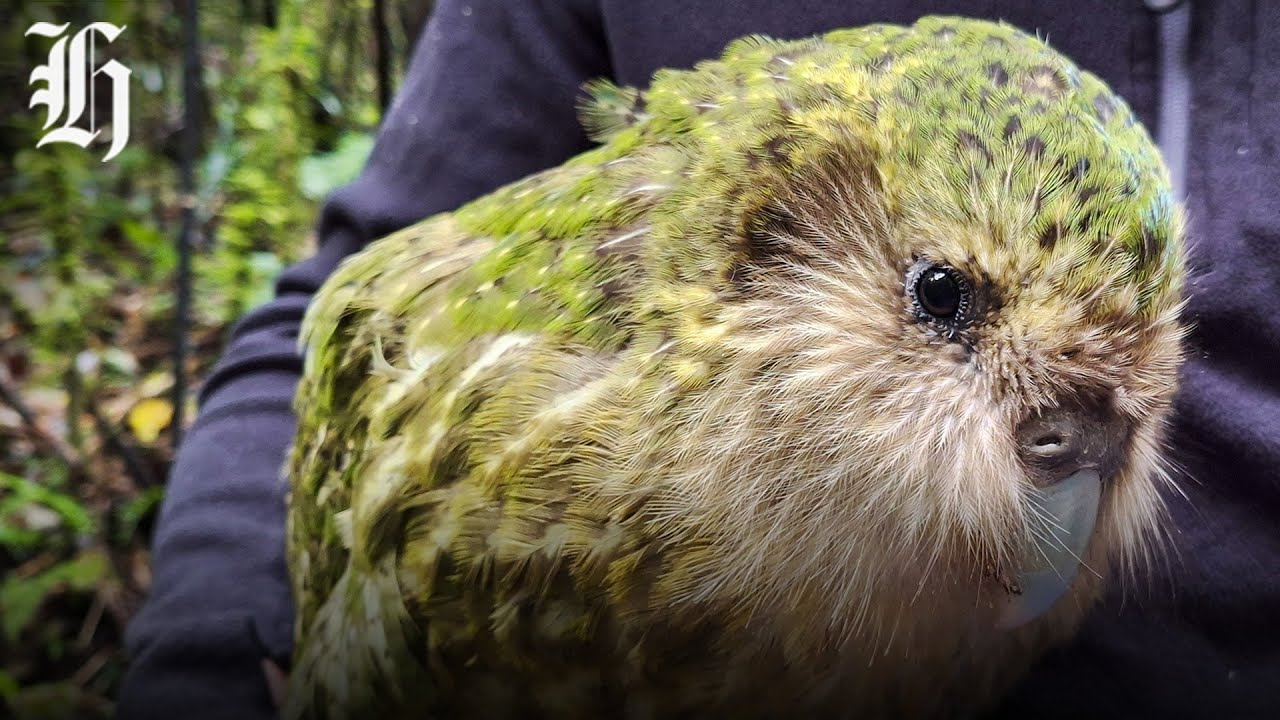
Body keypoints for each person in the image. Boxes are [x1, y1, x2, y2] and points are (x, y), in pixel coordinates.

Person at [118, 1, 1280, 718]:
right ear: (760, 230)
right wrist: (210, 663)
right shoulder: (485, 451)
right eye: (941, 301)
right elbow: (340, 300)